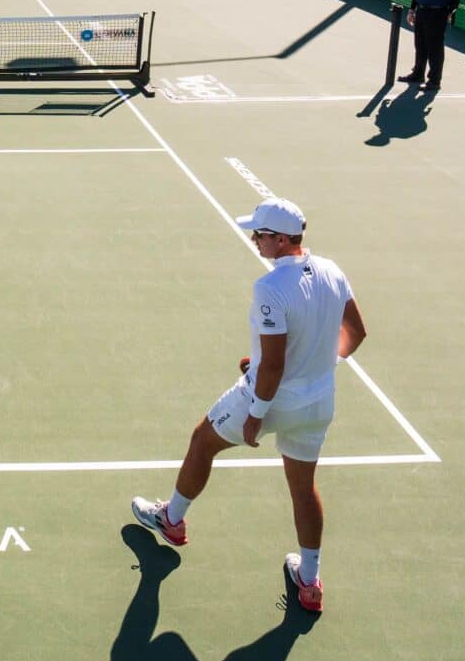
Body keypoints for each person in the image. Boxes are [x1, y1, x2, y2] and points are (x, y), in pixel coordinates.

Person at [129, 197, 366, 616]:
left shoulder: (270, 289)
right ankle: (309, 582)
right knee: (303, 487)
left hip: (271, 399)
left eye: (259, 235)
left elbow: (273, 367)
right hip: (318, 402)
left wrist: (256, 414)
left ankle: (172, 520)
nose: (254, 240)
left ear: (279, 240)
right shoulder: (332, 270)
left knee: (203, 441)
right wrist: (318, 364)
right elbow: (356, 332)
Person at [400, 0, 459, 92]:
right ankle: (418, 74)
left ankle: (434, 81)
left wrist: (449, 13)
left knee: (435, 48)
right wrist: (412, 10)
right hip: (422, 11)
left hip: (437, 14)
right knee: (420, 44)